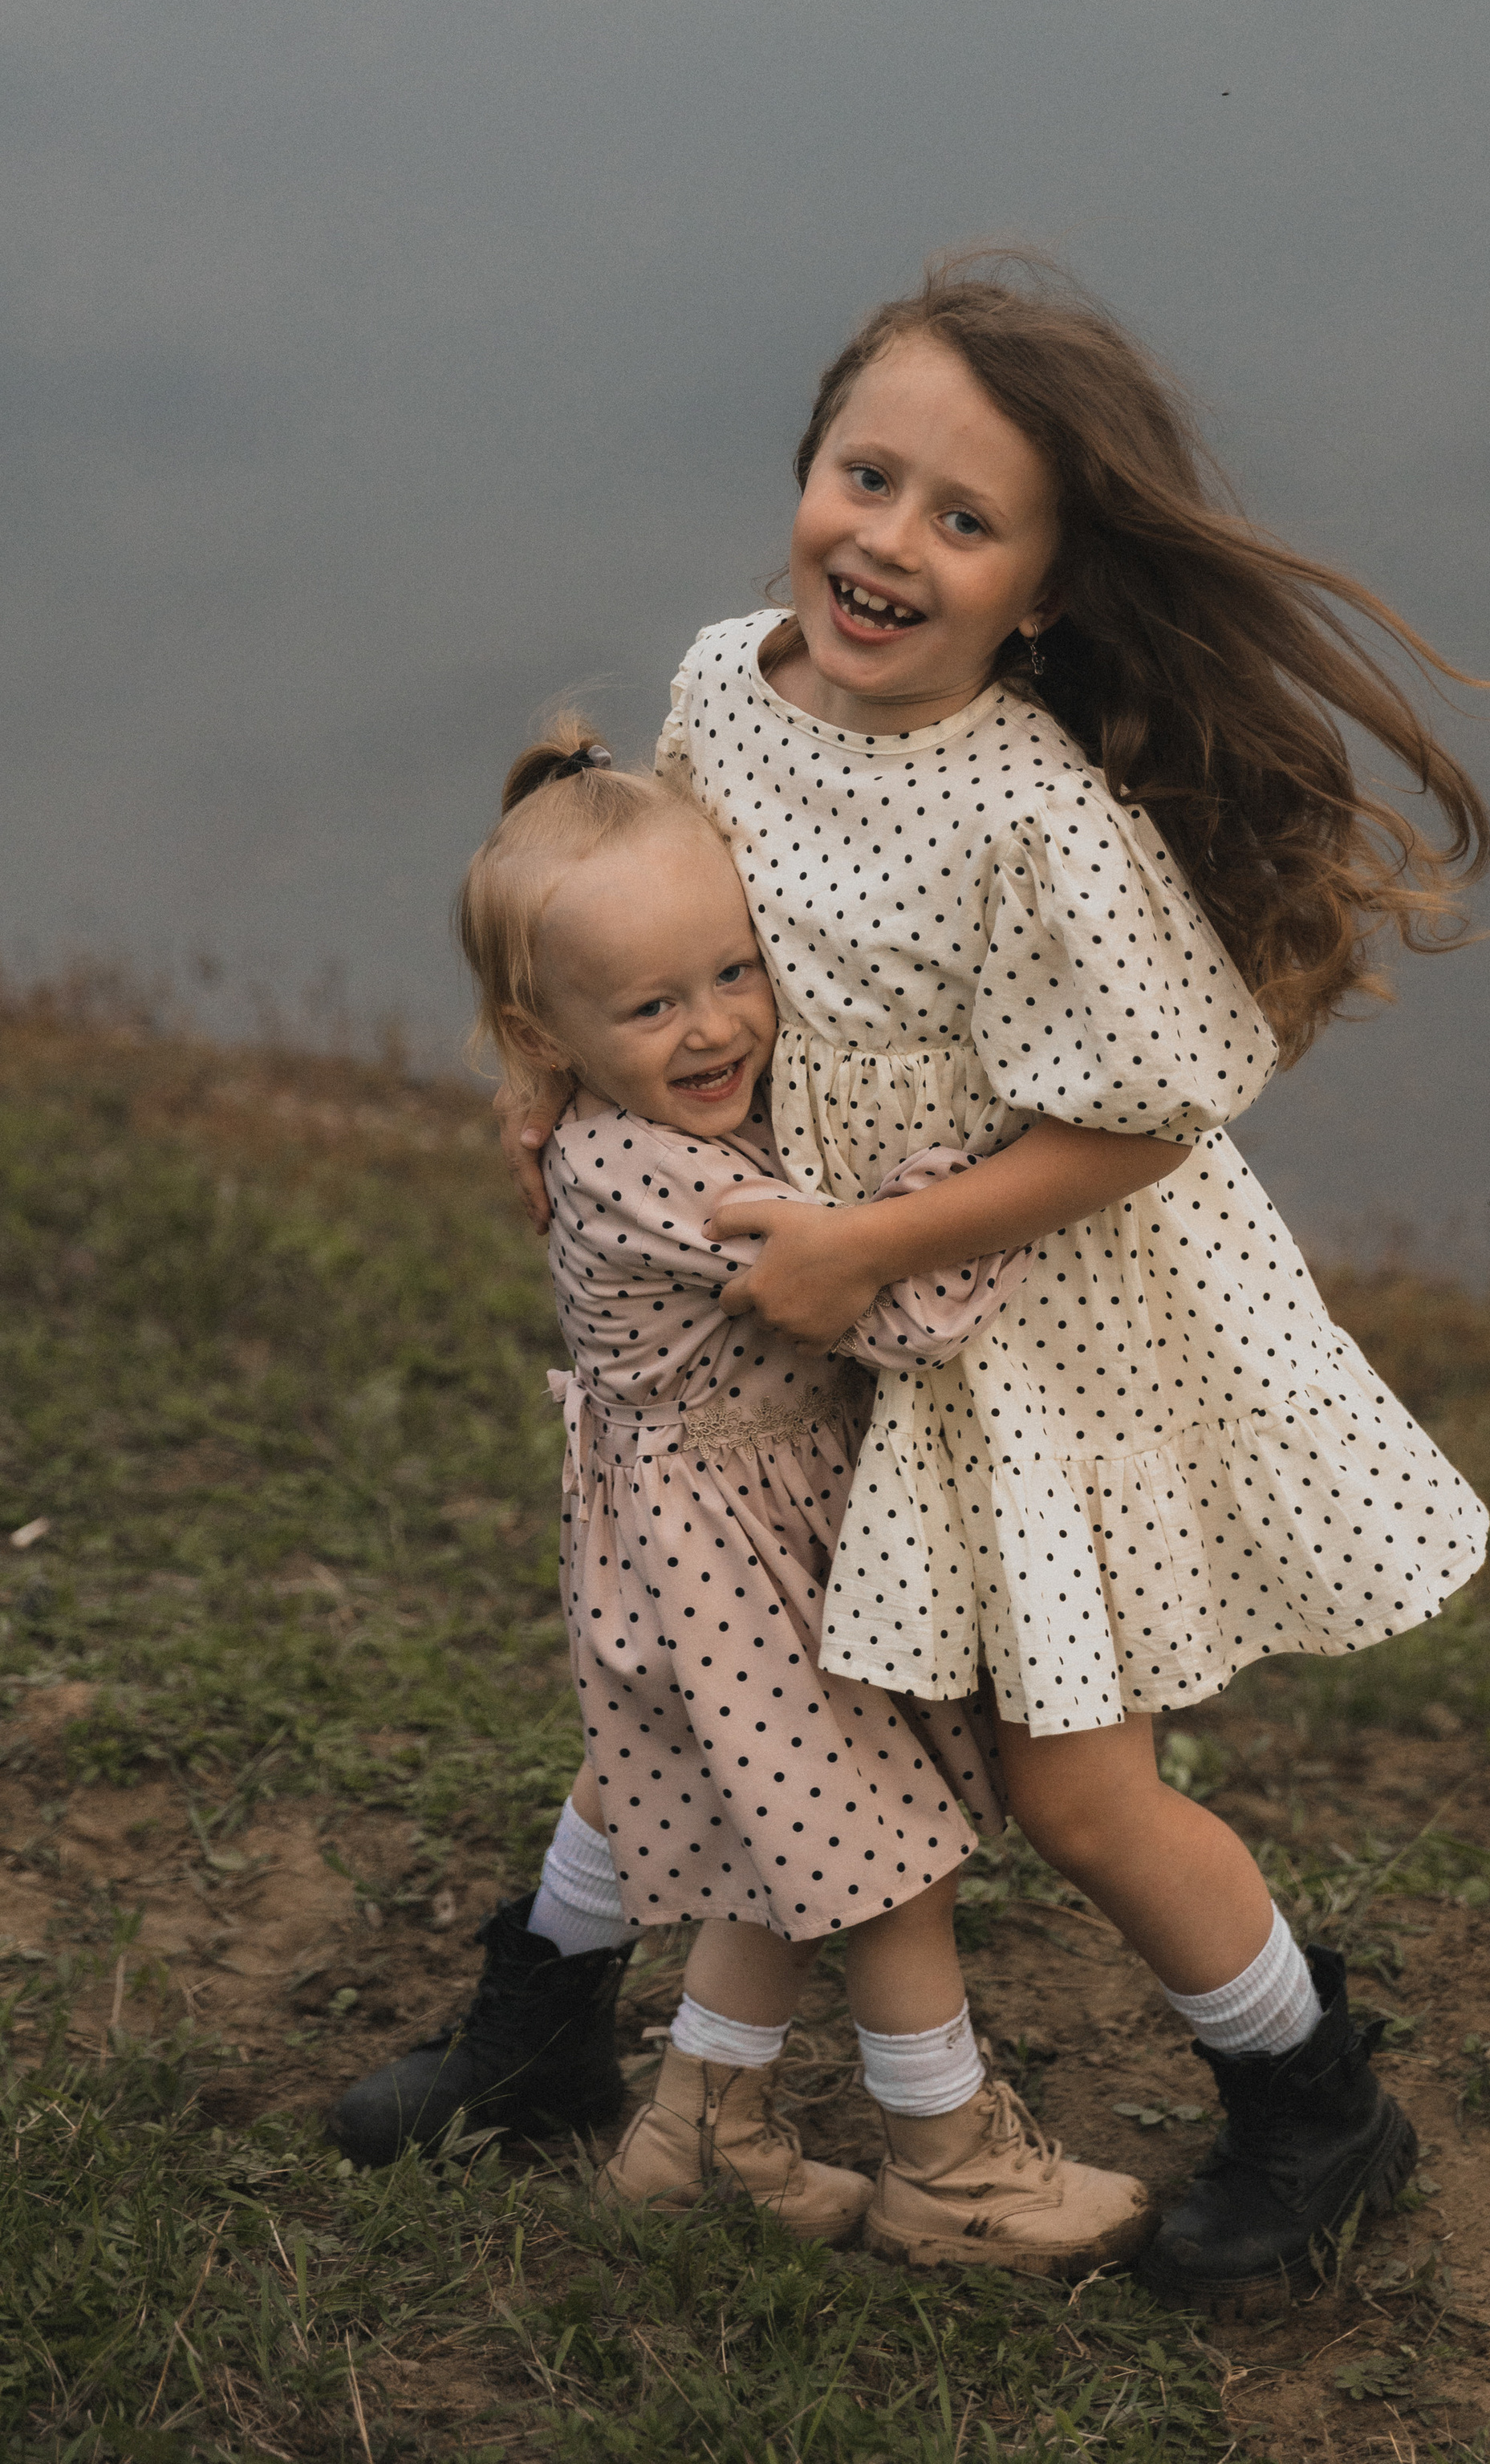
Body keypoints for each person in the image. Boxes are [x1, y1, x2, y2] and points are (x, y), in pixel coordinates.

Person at [506, 254, 1490, 2313]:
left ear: (1042, 591)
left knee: (1072, 1782)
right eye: (868, 478)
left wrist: (871, 1240)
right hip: (796, 1328)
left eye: (966, 522)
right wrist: (554, 1078)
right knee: (715, 1668)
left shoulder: (1035, 812)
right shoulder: (716, 685)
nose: (891, 543)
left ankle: (1315, 2105)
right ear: (804, 472)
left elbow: (1148, 1115)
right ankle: (532, 2023)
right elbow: (643, 933)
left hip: (1021, 1335)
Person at [330, 728, 1152, 2277]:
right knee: (886, 1865)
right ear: (545, 1029)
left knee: (781, 1844)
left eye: (735, 973)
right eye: (652, 1006)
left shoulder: (629, 1123)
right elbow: (898, 1311)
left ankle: (699, 2140)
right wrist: (978, 1187)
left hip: (719, 1540)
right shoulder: (678, 1182)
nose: (715, 1029)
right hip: (734, 1564)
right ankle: (952, 2170)